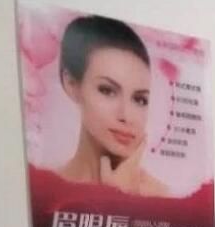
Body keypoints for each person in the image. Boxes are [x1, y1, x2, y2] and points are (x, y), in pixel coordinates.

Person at [53, 15, 169, 196]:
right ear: (72, 84)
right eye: (107, 91)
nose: (126, 116)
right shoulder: (44, 188)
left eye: (139, 99)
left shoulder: (161, 197)